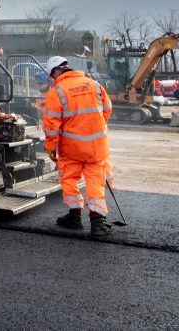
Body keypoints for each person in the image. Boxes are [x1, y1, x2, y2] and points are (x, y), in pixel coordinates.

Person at [42, 55, 114, 236]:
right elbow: (107, 109)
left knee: (69, 179)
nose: (53, 79)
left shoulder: (57, 91)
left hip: (71, 147)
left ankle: (74, 217)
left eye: (53, 76)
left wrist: (51, 147)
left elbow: (52, 125)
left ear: (57, 71)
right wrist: (94, 127)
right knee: (95, 180)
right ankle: (98, 223)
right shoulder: (94, 85)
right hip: (96, 146)